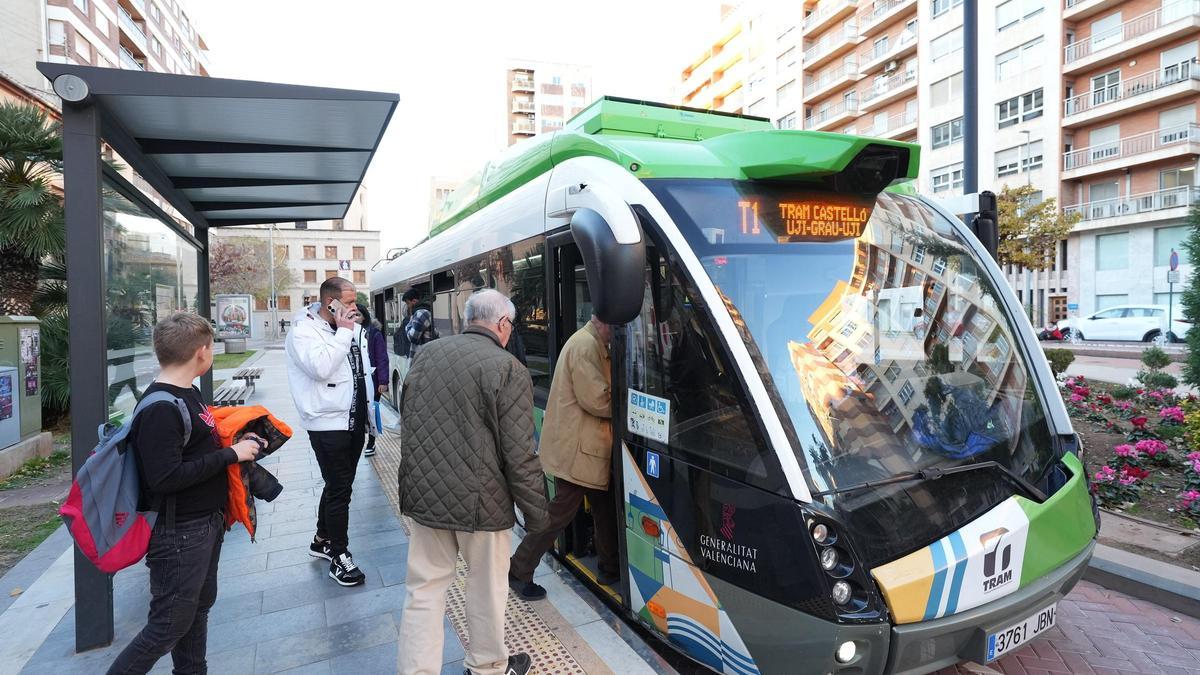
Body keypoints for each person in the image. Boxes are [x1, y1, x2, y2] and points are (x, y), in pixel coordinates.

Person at [396, 289, 549, 675]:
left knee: (424, 590)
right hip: (483, 504)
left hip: (426, 497)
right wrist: (538, 516)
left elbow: (409, 423)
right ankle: (487, 667)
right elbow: (519, 455)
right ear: (502, 324)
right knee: (485, 591)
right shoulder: (508, 368)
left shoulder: (427, 354)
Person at [108, 313, 263, 675]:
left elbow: (195, 449)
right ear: (201, 352)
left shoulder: (187, 393)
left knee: (195, 613)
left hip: (203, 524)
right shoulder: (161, 407)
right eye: (212, 346)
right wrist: (231, 455)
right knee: (167, 626)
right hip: (179, 534)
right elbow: (165, 478)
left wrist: (239, 443)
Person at [509, 315, 616, 601]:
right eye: (615, 329)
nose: (615, 336)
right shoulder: (585, 346)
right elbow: (598, 400)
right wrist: (633, 405)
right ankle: (519, 569)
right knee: (558, 515)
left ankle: (610, 567)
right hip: (578, 451)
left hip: (585, 448)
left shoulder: (591, 342)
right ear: (604, 324)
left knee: (604, 507)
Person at [284, 277, 373, 587]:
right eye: (348, 302)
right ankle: (339, 555)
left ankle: (322, 539)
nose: (354, 307)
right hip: (326, 423)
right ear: (329, 303)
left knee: (339, 484)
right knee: (340, 490)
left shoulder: (348, 326)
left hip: (353, 418)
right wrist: (346, 331)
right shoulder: (303, 331)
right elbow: (321, 368)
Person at [355, 303, 389, 457]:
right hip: (354, 382)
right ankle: (359, 441)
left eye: (358, 315)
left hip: (373, 381)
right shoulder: (344, 333)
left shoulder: (374, 334)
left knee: (372, 411)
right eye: (352, 315)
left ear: (364, 317)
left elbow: (382, 358)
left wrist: (383, 381)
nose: (355, 318)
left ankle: (371, 442)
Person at [401, 287, 437, 360]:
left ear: (414, 301)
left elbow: (412, 337)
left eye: (408, 303)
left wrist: (407, 326)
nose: (408, 306)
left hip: (422, 357)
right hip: (423, 355)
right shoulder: (421, 312)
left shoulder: (421, 313)